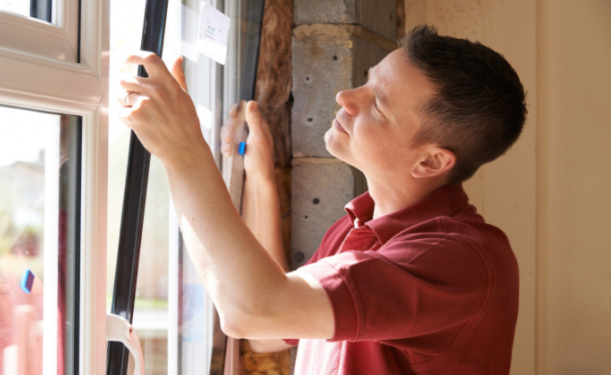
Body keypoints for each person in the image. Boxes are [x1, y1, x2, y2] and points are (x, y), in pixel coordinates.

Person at [118, 24, 527, 374]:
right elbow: (271, 331)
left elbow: (252, 311)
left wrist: (182, 150)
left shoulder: (462, 259)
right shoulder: (357, 227)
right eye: (367, 80)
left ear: (432, 160)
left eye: (379, 104)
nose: (346, 96)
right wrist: (260, 179)